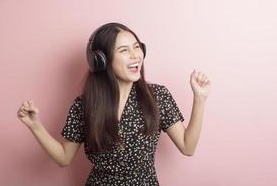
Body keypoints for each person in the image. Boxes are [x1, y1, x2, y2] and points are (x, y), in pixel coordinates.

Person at [17, 22, 211, 185]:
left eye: (137, 47)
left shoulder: (157, 96)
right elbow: (64, 158)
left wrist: (200, 99)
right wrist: (35, 126)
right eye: (124, 50)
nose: (136, 55)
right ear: (101, 60)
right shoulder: (84, 105)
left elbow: (188, 147)